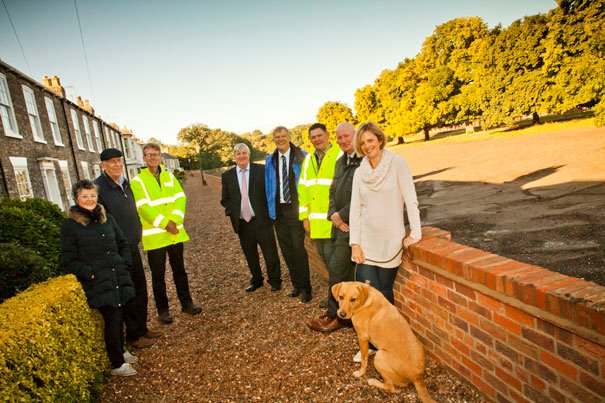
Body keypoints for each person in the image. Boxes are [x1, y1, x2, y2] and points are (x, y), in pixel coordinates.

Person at [349, 122, 422, 361]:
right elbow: (355, 208)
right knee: (365, 293)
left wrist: (416, 234)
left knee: (384, 293)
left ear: (380, 140)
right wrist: (355, 243)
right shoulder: (360, 172)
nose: (367, 146)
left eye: (370, 140)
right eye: (362, 143)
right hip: (366, 242)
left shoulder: (397, 164)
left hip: (391, 239)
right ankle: (369, 345)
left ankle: (389, 344)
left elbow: (411, 199)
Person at [60, 180, 138, 376]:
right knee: (112, 319)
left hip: (117, 275)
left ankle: (120, 350)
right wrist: (90, 272)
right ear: (76, 199)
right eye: (85, 196)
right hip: (98, 280)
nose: (89, 199)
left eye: (92, 195)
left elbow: (122, 243)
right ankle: (117, 364)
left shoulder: (107, 218)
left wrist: (125, 263)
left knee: (120, 315)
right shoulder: (70, 225)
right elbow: (67, 258)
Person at [95, 148, 162, 348]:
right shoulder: (99, 188)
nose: (116, 164)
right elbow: (103, 221)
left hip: (132, 245)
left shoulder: (126, 184)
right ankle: (133, 335)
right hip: (117, 249)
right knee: (127, 291)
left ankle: (142, 328)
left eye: (118, 161)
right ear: (103, 165)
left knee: (140, 288)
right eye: (111, 162)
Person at [130, 143, 202, 325]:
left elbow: (180, 198)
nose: (152, 157)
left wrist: (175, 222)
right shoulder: (137, 181)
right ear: (144, 158)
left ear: (160, 157)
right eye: (148, 155)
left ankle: (187, 304)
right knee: (158, 275)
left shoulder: (170, 176)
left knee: (180, 271)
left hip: (174, 233)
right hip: (155, 236)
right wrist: (165, 223)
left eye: (155, 154)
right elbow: (143, 207)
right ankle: (163, 311)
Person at [307, 122, 361, 333]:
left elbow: (361, 195)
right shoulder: (341, 161)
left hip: (357, 226)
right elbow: (332, 191)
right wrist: (334, 216)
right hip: (340, 226)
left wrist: (341, 215)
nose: (343, 140)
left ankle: (337, 317)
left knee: (343, 272)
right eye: (340, 138)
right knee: (339, 272)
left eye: (347, 136)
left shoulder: (363, 160)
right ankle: (338, 315)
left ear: (355, 135)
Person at [221, 143, 281, 292]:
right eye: (238, 154)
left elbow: (270, 191)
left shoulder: (261, 170)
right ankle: (257, 280)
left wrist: (269, 212)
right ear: (234, 156)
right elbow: (225, 199)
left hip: (262, 220)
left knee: (270, 253)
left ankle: (275, 281)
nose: (241, 156)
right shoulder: (227, 176)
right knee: (250, 255)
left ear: (249, 155)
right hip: (243, 223)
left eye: (244, 153)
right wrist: (232, 212)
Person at [265, 126, 312, 303]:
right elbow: (269, 186)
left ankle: (306, 288)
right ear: (274, 139)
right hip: (279, 212)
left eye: (283, 136)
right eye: (277, 137)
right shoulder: (270, 160)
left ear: (289, 137)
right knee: (287, 251)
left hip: (296, 211)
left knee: (299, 250)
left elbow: (308, 184)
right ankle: (296, 285)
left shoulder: (302, 156)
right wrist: (271, 211)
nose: (280, 139)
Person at [297, 123, 341, 306]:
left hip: (334, 222)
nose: (316, 139)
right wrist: (304, 217)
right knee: (327, 264)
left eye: (319, 135)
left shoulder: (340, 155)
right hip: (316, 224)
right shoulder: (308, 160)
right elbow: (303, 189)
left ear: (327, 135)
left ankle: (337, 303)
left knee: (336, 266)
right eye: (313, 137)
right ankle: (336, 299)